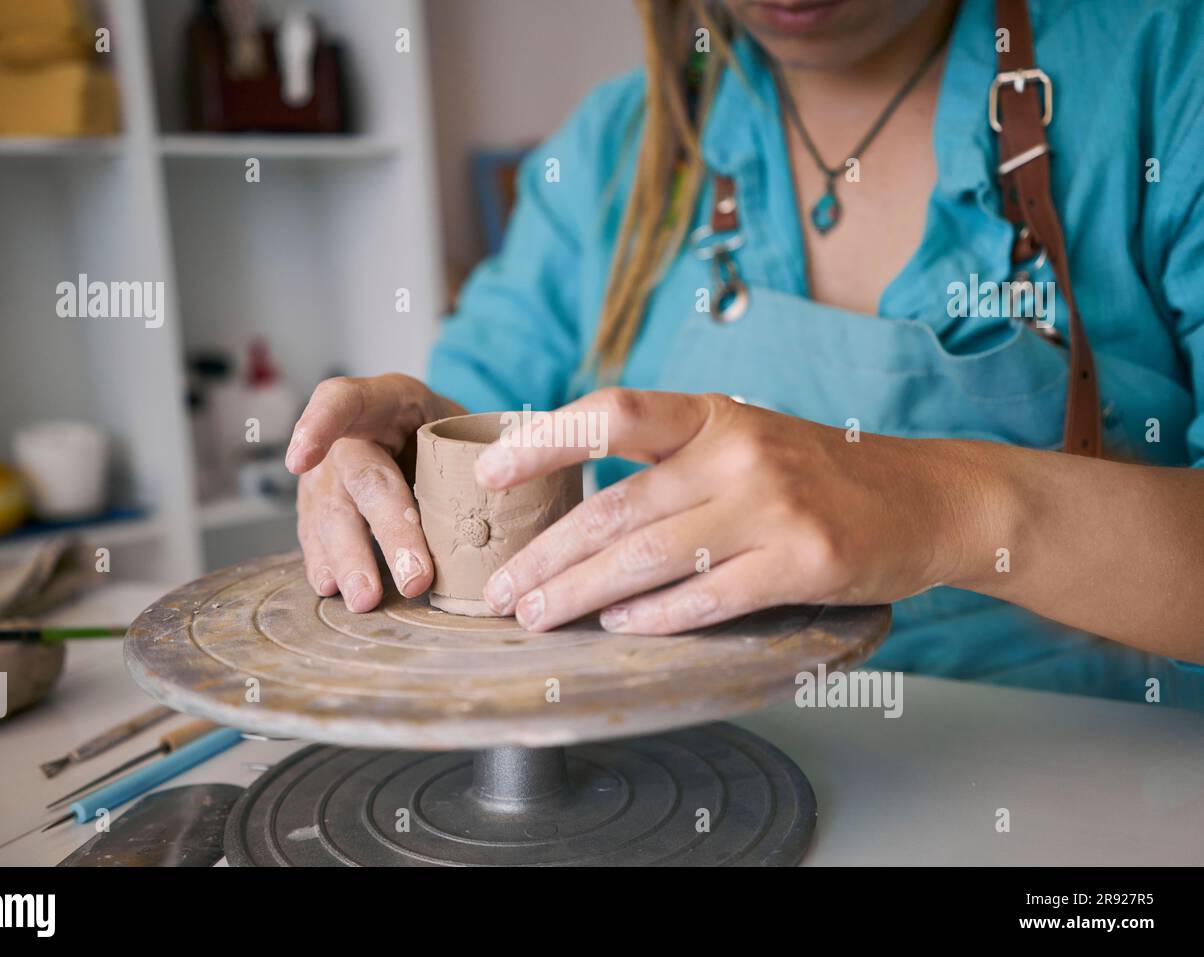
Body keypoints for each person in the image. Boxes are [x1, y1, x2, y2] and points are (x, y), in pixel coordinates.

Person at [287, 0, 1204, 709]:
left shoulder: (1166, 69)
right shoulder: (618, 149)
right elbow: (471, 426)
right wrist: (396, 468)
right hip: (687, 780)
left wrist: (937, 504)